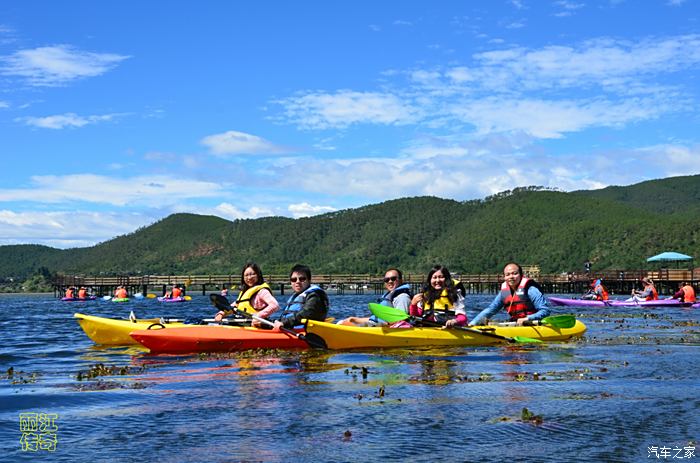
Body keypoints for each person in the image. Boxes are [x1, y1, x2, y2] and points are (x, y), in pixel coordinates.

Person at [470, 262, 550, 327]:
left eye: (514, 273)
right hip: (516, 324)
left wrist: (528, 318)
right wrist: (472, 324)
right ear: (504, 277)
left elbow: (545, 311)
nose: (511, 277)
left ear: (521, 275)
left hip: (534, 323)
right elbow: (490, 310)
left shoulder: (531, 290)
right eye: (507, 275)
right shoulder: (503, 293)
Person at [337, 268, 413, 326]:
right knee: (350, 320)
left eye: (393, 279)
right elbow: (378, 318)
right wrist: (356, 319)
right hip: (378, 324)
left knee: (348, 323)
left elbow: (401, 321)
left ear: (401, 281)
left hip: (383, 327)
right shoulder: (392, 296)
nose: (390, 281)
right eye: (386, 280)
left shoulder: (402, 297)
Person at [214, 262, 279, 327]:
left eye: (252, 274)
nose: (249, 278)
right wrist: (221, 314)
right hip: (242, 323)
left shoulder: (262, 291)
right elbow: (234, 307)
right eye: (246, 275)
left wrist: (258, 316)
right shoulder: (244, 292)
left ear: (258, 275)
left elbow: (274, 305)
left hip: (255, 325)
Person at [272, 264, 329, 330]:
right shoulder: (295, 296)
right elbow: (283, 319)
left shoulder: (315, 296)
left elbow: (307, 313)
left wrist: (285, 323)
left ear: (309, 280)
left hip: (307, 333)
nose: (297, 282)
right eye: (294, 279)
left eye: (302, 279)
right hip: (289, 329)